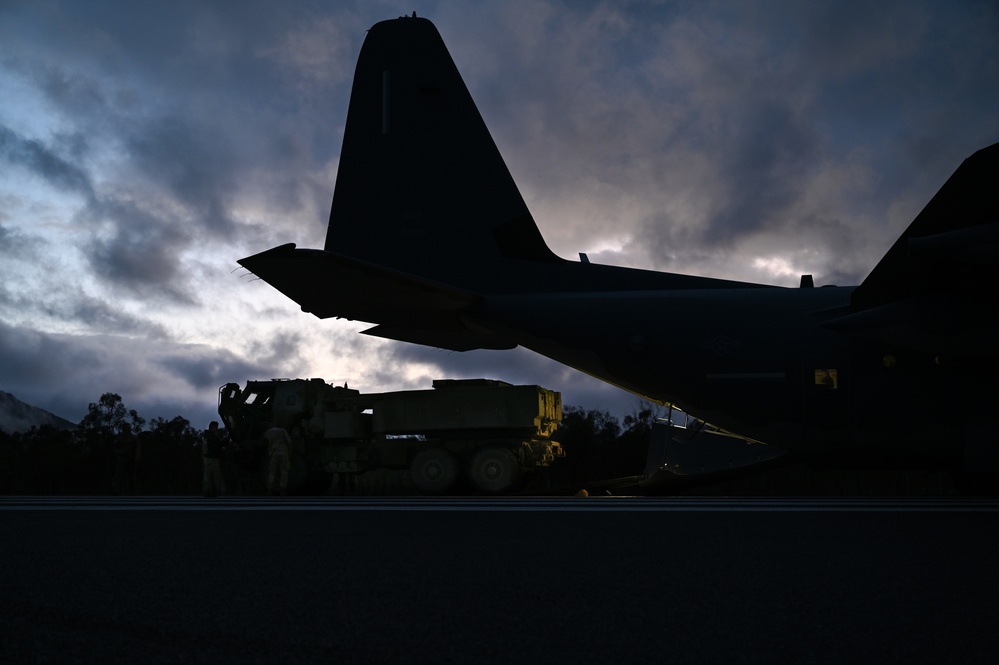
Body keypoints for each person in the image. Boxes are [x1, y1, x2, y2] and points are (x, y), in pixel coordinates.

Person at [202, 421, 229, 497]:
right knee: (214, 476)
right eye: (216, 427)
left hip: (207, 459)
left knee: (208, 476)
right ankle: (213, 491)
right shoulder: (211, 436)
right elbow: (219, 444)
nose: (217, 429)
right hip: (212, 459)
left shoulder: (206, 436)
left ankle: (209, 491)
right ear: (212, 427)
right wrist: (227, 438)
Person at [263, 426, 292, 495]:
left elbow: (265, 443)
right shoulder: (283, 431)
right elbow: (289, 442)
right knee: (284, 471)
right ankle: (282, 489)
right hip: (283, 453)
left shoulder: (268, 432)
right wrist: (290, 454)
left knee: (272, 472)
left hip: (274, 453)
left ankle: (269, 489)